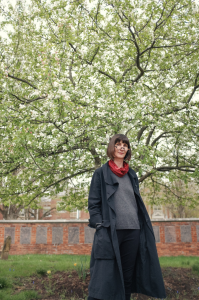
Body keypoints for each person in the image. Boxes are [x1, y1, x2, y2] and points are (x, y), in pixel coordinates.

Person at [87, 134, 166, 300]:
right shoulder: (101, 173)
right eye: (118, 144)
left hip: (133, 230)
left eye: (125, 145)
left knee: (128, 276)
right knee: (106, 277)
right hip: (111, 232)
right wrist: (100, 225)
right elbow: (94, 205)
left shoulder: (132, 174)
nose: (122, 147)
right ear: (112, 148)